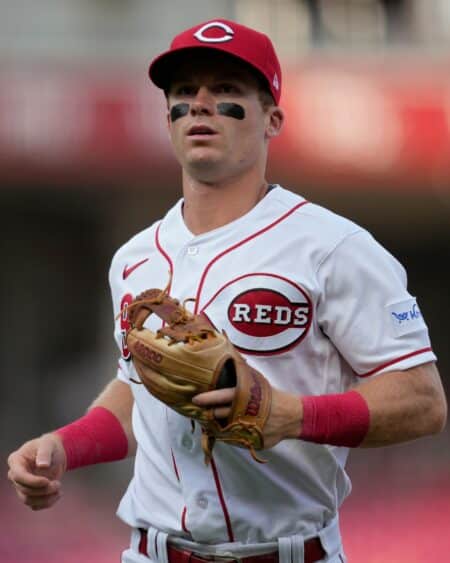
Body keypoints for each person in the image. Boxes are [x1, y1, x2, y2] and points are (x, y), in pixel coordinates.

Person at [7, 19, 447, 563]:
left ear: (273, 118)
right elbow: (136, 394)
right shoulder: (134, 258)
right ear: (167, 116)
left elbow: (424, 403)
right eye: (184, 92)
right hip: (149, 551)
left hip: (285, 551)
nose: (200, 103)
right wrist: (63, 446)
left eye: (226, 90)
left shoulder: (335, 248)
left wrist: (291, 414)